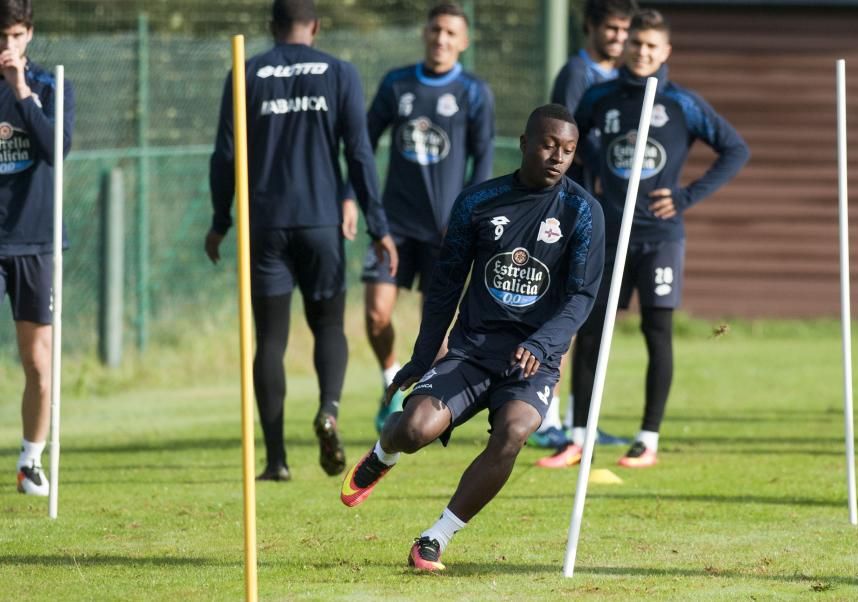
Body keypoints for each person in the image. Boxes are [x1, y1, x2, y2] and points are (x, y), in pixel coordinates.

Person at [340, 104, 604, 571]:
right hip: (471, 350)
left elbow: (582, 296)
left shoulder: (583, 211)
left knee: (515, 431)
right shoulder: (478, 202)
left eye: (568, 150)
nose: (557, 156)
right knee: (414, 430)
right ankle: (383, 455)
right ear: (524, 143)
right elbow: (444, 287)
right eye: (547, 145)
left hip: (533, 359)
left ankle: (435, 538)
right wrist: (424, 357)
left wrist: (542, 345)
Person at [538, 9, 749, 469]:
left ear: (665, 52)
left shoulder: (682, 103)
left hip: (659, 238)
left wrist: (687, 196)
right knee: (590, 332)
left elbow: (735, 148)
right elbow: (571, 144)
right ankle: (578, 435)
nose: (642, 52)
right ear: (625, 45)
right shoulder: (600, 96)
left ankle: (647, 438)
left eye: (653, 46)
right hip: (608, 235)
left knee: (658, 333)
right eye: (636, 44)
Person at [206, 0, 397, 482]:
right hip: (321, 225)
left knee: (269, 339)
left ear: (272, 28)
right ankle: (328, 410)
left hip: (264, 226)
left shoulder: (246, 71)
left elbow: (225, 155)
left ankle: (276, 460)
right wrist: (379, 226)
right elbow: (359, 153)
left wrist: (220, 220)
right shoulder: (340, 72)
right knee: (329, 326)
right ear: (314, 26)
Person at [353, 1, 494, 433]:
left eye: (452, 33)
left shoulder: (474, 92)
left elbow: (483, 158)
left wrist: (473, 215)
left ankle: (422, 405)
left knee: (436, 326)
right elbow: (361, 144)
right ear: (425, 34)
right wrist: (349, 197)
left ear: (463, 42)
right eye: (436, 30)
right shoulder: (397, 84)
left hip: (445, 229)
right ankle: (389, 382)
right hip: (393, 226)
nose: (442, 39)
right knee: (377, 314)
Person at [529, 0, 636, 449]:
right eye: (611, 29)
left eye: (624, 30)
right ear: (590, 28)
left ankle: (578, 419)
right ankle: (545, 417)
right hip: (570, 210)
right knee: (562, 312)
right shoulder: (578, 74)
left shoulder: (624, 77)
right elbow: (561, 140)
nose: (618, 38)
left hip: (602, 212)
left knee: (588, 316)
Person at [0, 0, 75, 496]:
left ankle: (31, 461)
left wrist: (22, 92)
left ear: (30, 35)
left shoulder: (51, 86)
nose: (8, 48)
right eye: (1, 38)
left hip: (36, 241)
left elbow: (56, 149)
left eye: (16, 36)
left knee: (39, 363)